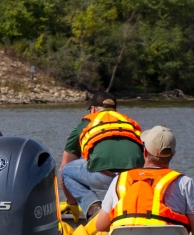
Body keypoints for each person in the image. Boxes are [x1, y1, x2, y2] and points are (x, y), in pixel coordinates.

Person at [92, 126, 194, 235]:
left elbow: (101, 225)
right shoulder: (185, 183)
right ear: (173, 154)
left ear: (144, 152)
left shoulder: (120, 179)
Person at [61, 92, 144, 220]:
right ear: (115, 110)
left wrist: (72, 203)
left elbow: (64, 166)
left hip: (105, 177)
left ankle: (93, 208)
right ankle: (128, 207)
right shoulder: (129, 122)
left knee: (67, 171)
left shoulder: (85, 124)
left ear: (93, 109)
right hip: (134, 179)